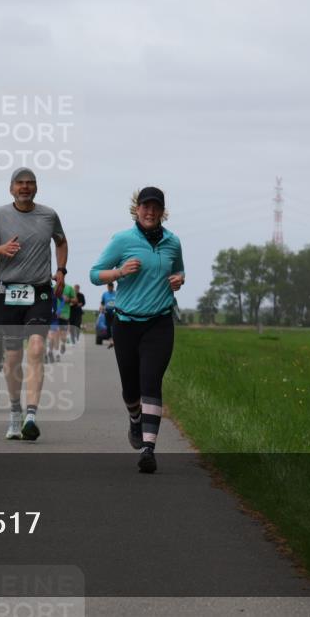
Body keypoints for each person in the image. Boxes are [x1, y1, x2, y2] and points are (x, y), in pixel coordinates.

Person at [89, 186, 184, 473]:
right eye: (145, 206)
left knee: (150, 382)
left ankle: (148, 448)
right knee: (131, 388)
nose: (150, 212)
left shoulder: (172, 242)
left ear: (162, 211)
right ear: (137, 209)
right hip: (127, 324)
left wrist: (178, 280)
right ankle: (134, 419)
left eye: (156, 207)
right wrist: (118, 272)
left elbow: (179, 271)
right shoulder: (122, 240)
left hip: (160, 322)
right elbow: (95, 274)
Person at [0, 167, 67, 441]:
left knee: (37, 349)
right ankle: (15, 411)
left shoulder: (49, 215)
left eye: (30, 183)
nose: (25, 187)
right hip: (8, 293)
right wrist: (0, 250)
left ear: (36, 188)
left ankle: (31, 414)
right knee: (13, 356)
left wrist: (62, 270)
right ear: (11, 188)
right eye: (20, 183)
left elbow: (61, 241)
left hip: (40, 290)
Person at [100, 282, 117, 348]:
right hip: (107, 311)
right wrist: (101, 308)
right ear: (107, 287)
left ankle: (114, 339)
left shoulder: (116, 293)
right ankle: (110, 340)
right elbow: (102, 303)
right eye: (108, 287)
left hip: (114, 312)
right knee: (108, 325)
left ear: (113, 287)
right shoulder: (105, 294)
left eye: (111, 287)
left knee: (114, 325)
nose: (110, 288)